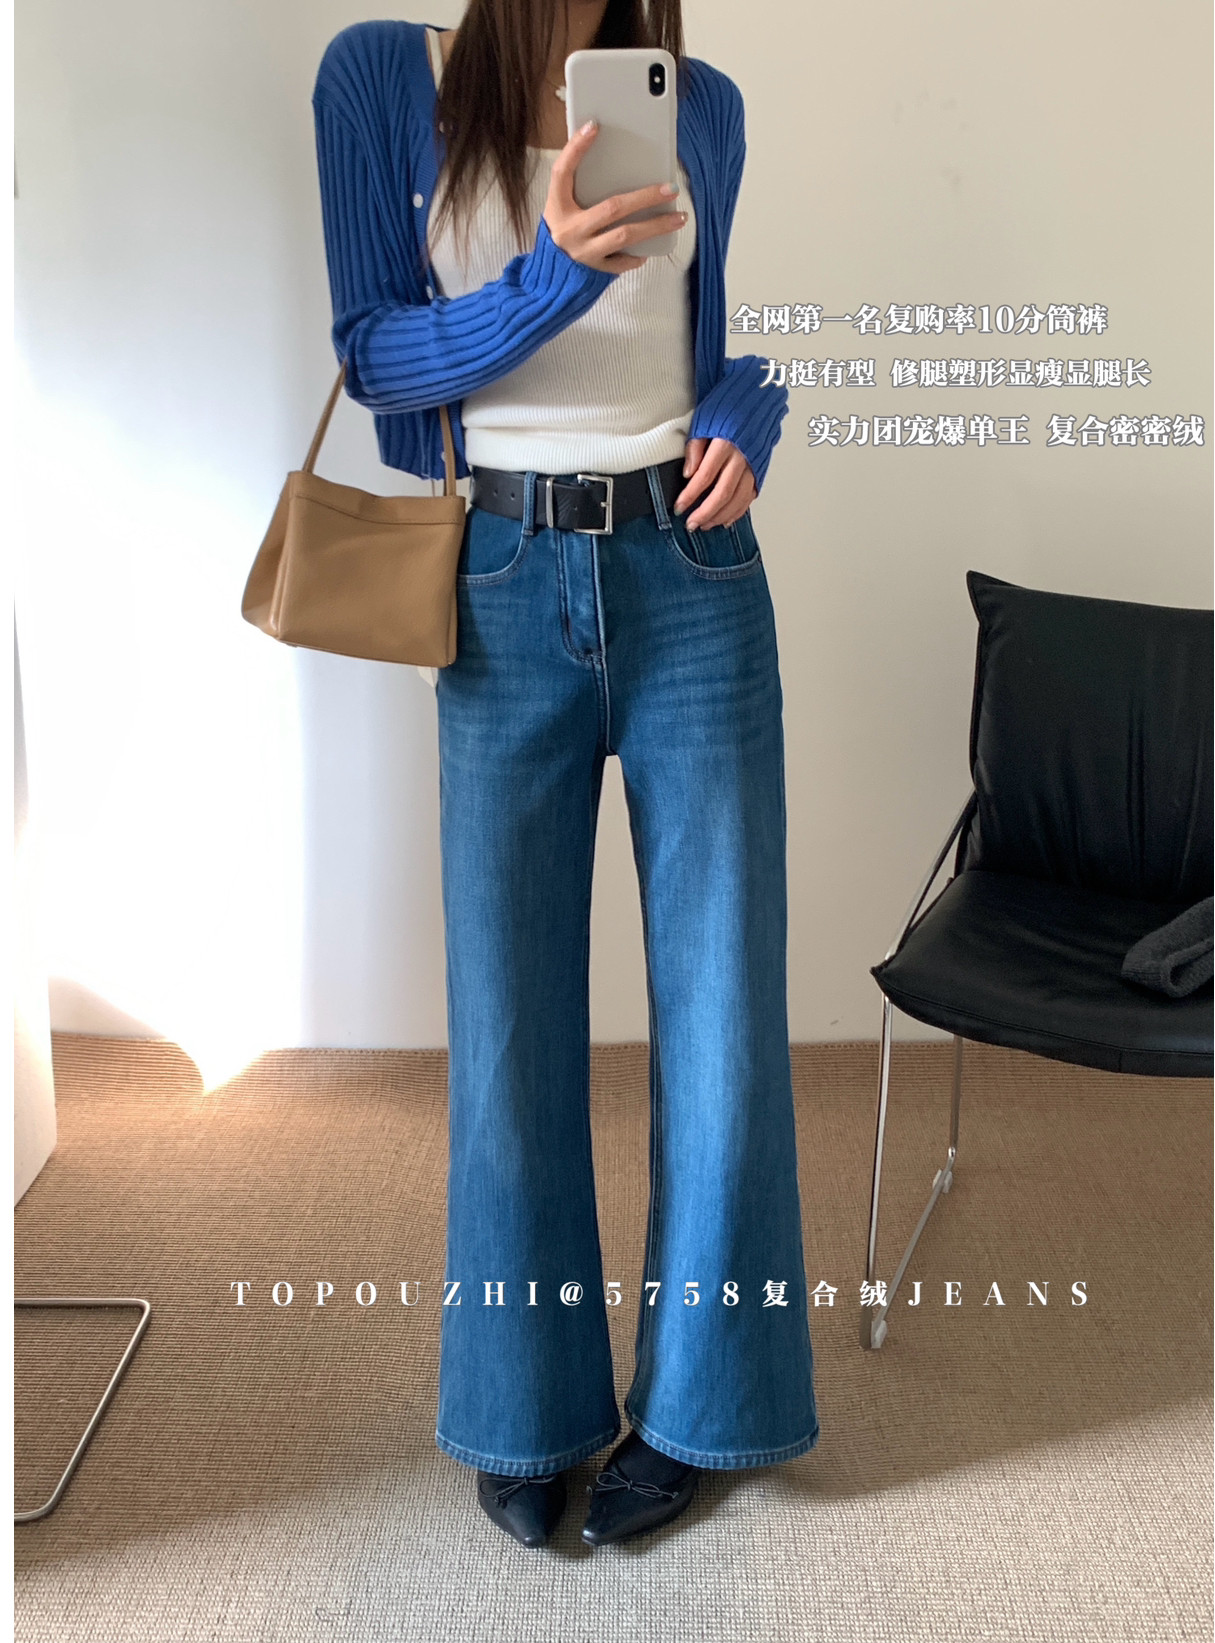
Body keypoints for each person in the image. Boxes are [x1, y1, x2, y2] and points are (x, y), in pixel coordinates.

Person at [312, 0, 818, 1547]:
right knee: (510, 1020)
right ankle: (523, 1406)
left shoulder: (699, 104)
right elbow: (378, 355)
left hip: (694, 577)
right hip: (500, 582)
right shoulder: (382, 77)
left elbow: (701, 354)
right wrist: (548, 278)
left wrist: (749, 411)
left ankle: (707, 1405)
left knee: (726, 1015)